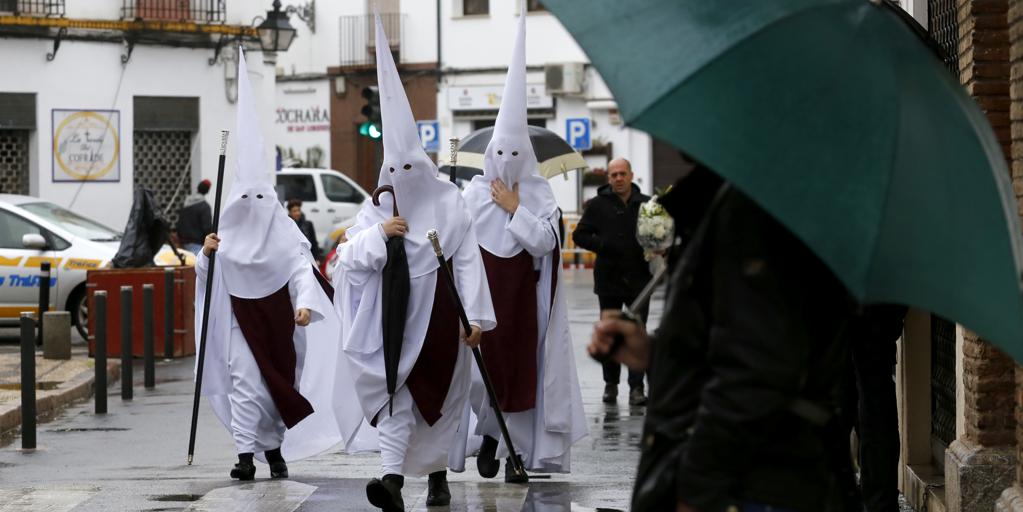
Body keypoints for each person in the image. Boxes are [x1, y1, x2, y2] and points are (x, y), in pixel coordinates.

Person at [589, 166, 857, 512]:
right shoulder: (725, 201)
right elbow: (737, 337)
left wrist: (696, 490)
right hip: (750, 477)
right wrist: (656, 353)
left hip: (752, 483)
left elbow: (755, 371)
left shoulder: (756, 210)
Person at [333, 16, 496, 512]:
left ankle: (438, 478)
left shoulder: (452, 207)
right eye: (394, 171)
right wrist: (381, 235)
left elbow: (468, 264)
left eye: (410, 169)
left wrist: (477, 319)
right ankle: (391, 481)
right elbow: (347, 257)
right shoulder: (377, 209)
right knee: (397, 397)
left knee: (441, 402)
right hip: (395, 323)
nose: (403, 179)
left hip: (444, 321)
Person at [193, 49, 358, 482]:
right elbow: (206, 278)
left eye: (260, 199)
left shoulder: (286, 235)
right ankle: (247, 454)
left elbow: (303, 269)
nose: (253, 208)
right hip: (239, 327)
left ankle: (274, 447)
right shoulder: (223, 241)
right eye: (244, 199)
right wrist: (207, 254)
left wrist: (305, 305)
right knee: (246, 383)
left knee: (277, 386)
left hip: (283, 327)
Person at [457, 9, 586, 483]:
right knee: (481, 375)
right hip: (482, 301)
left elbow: (546, 242)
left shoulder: (538, 194)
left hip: (524, 302)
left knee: (523, 375)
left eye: (516, 154)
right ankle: (489, 435)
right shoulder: (471, 194)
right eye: (500, 153)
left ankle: (517, 456)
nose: (507, 161)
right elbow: (454, 239)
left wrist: (514, 208)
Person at [572, 157, 652, 406]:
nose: (618, 178)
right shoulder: (597, 204)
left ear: (631, 175)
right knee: (609, 333)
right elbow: (579, 235)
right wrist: (603, 245)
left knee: (636, 331)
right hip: (609, 279)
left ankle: (637, 388)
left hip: (640, 279)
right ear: (608, 178)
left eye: (622, 174)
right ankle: (610, 385)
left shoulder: (647, 204)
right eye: (613, 174)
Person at [177, 179, 213, 255]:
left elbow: (179, 223)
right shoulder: (204, 207)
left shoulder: (186, 204)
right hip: (197, 245)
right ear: (207, 191)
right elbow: (207, 228)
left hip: (183, 244)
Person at [286, 198, 323, 264]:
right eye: (294, 211)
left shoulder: (308, 224)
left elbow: (313, 242)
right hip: (294, 258)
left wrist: (316, 258)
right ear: (290, 212)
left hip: (308, 257)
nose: (297, 213)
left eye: (298, 210)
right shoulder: (287, 225)